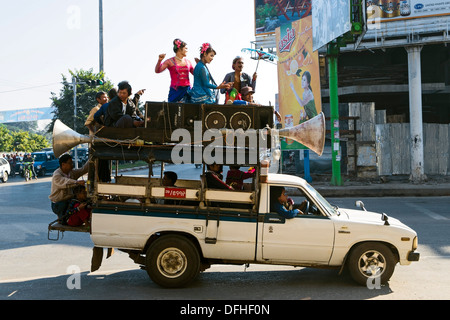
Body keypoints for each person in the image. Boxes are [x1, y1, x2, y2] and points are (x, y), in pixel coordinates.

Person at [49, 153, 89, 220]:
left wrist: (91, 158)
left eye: (72, 163)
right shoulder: (57, 175)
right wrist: (76, 182)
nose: (72, 165)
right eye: (70, 163)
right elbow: (65, 181)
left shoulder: (71, 173)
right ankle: (62, 218)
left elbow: (83, 170)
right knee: (74, 205)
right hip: (59, 204)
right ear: (63, 164)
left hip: (68, 200)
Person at [155, 39, 195, 103]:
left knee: (188, 111)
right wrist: (159, 60)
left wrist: (200, 64)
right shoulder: (170, 61)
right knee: (173, 110)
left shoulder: (188, 62)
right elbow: (158, 70)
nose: (187, 50)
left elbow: (196, 74)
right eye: (186, 48)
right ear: (179, 49)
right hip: (175, 91)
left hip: (187, 91)